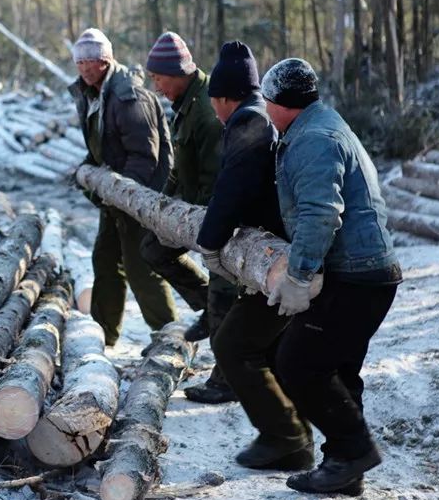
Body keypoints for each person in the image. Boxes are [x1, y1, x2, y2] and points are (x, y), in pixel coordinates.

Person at [261, 57, 402, 495]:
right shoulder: (319, 124)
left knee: (297, 362)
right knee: (337, 368)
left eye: (267, 101)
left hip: (356, 275)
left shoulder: (314, 139)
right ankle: (344, 467)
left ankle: (353, 451)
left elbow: (320, 214)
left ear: (282, 103)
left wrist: (299, 277)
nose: (264, 109)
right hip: (367, 272)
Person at [196, 41, 313, 472]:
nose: (213, 111)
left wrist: (210, 241)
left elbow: (231, 189)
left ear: (225, 97)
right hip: (282, 250)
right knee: (274, 348)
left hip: (276, 258)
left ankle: (286, 438)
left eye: (214, 102)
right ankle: (291, 438)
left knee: (233, 344)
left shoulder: (248, 123)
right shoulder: (261, 117)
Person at [140, 31, 237, 404]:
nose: (157, 86)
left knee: (226, 292)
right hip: (192, 211)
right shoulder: (183, 102)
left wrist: (210, 227)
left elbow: (220, 176)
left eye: (159, 78)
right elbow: (182, 167)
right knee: (153, 248)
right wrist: (163, 208)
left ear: (178, 73)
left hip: (218, 215)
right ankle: (207, 305)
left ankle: (227, 379)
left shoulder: (207, 110)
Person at [69, 28, 178, 346]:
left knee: (140, 266)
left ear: (107, 60)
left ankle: (169, 337)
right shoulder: (92, 93)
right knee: (104, 259)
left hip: (140, 194)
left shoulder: (128, 95)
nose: (86, 68)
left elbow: (146, 157)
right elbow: (103, 145)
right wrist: (89, 175)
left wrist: (124, 197)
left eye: (93, 61)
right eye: (80, 62)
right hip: (115, 194)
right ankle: (102, 336)